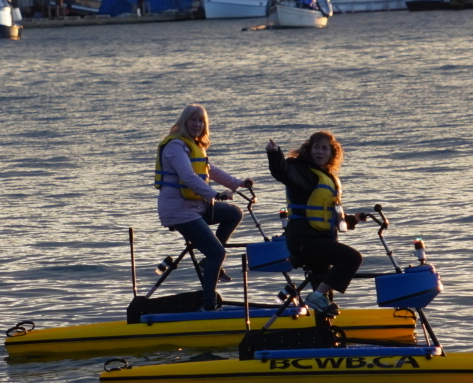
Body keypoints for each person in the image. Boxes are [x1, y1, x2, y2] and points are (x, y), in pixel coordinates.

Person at [155, 104, 249, 306]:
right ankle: (209, 303)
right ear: (184, 122)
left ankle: (207, 263)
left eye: (201, 121)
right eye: (193, 120)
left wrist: (238, 184)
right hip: (179, 212)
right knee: (218, 253)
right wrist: (215, 194)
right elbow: (188, 177)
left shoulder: (193, 145)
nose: (197, 124)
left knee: (234, 213)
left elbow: (210, 170)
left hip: (196, 207)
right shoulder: (175, 146)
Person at [265, 130, 363, 314]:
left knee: (326, 295)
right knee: (352, 258)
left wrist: (351, 220)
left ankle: (322, 330)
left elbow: (327, 215)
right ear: (309, 150)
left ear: (331, 154)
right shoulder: (302, 172)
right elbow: (282, 172)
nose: (320, 151)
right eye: (316, 147)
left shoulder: (324, 177)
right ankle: (316, 298)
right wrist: (274, 153)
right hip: (304, 241)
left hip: (318, 240)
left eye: (324, 148)